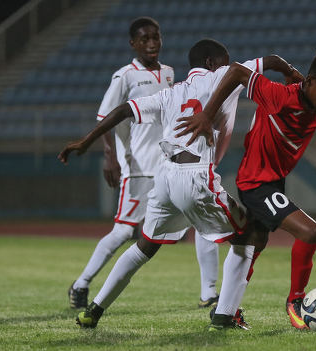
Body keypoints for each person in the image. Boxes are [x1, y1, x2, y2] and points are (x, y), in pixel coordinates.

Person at [59, 39, 303, 330]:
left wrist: (86, 141)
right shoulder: (222, 76)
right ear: (212, 63)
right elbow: (271, 59)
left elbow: (124, 109)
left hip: (165, 177)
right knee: (252, 233)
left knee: (144, 247)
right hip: (196, 176)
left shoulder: (170, 93)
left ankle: (94, 311)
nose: (227, 66)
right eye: (223, 62)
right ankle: (224, 315)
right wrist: (291, 73)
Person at [175, 46, 316, 329]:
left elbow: (295, 79)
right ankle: (295, 301)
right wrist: (207, 115)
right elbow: (235, 71)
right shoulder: (279, 97)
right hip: (256, 181)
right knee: (309, 232)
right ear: (311, 81)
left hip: (273, 181)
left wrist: (286, 69)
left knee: (254, 244)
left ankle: (224, 313)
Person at [67, 17, 220, 311]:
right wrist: (110, 156)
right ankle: (81, 283)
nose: (152, 43)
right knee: (124, 232)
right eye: (145, 39)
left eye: (156, 37)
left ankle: (208, 293)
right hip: (136, 166)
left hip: (168, 164)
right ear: (133, 44)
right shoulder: (124, 76)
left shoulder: (170, 73)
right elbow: (105, 117)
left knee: (203, 222)